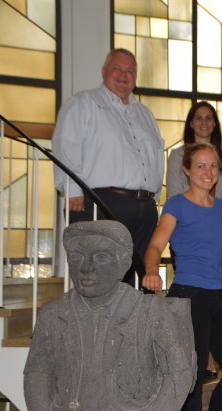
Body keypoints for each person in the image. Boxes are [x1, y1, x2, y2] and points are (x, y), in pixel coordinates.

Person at [24, 220, 196, 411]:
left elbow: (179, 373)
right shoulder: (52, 315)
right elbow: (36, 374)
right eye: (76, 257)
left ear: (123, 263)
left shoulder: (150, 312)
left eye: (101, 257)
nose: (85, 268)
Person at [142, 143, 222, 411]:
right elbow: (154, 246)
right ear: (187, 170)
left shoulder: (221, 209)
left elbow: (221, 251)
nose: (208, 172)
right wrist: (152, 271)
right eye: (200, 166)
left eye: (213, 166)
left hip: (218, 297)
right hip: (188, 297)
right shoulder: (176, 204)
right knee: (193, 374)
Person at [52, 48, 165, 285]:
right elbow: (66, 144)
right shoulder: (84, 103)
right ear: (104, 71)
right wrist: (71, 188)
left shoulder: (145, 114)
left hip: (143, 208)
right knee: (101, 280)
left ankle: (126, 323)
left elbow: (156, 153)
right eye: (117, 68)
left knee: (134, 282)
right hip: (100, 203)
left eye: (130, 71)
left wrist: (153, 196)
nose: (124, 75)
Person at [165, 101, 222, 381]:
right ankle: (200, 359)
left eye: (209, 118)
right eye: (198, 118)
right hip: (186, 227)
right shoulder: (177, 156)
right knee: (195, 297)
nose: (204, 123)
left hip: (217, 229)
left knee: (219, 296)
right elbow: (174, 190)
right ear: (191, 123)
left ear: (214, 124)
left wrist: (215, 218)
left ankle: (210, 356)